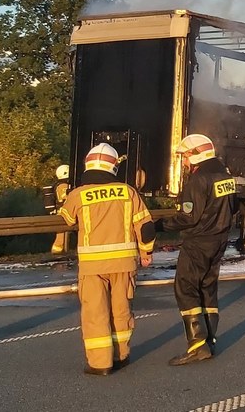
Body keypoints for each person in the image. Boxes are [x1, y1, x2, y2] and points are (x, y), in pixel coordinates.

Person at [57, 143, 155, 376]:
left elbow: (66, 220)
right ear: (113, 167)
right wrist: (146, 253)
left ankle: (100, 363)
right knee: (121, 310)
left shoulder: (78, 194)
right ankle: (121, 355)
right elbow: (146, 227)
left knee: (95, 313)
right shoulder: (128, 192)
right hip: (124, 264)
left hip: (92, 266)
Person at [156, 134, 237, 366]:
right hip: (219, 241)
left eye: (185, 156)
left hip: (199, 242)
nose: (184, 161)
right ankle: (210, 340)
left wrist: (159, 226)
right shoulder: (226, 176)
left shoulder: (198, 179)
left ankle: (197, 346)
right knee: (207, 288)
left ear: (196, 155)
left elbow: (188, 217)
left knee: (186, 288)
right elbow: (234, 207)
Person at [50, 164, 70, 254]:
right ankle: (57, 251)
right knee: (61, 234)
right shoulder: (63, 185)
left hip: (62, 211)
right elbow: (66, 198)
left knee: (62, 233)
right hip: (63, 212)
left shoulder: (58, 184)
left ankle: (60, 250)